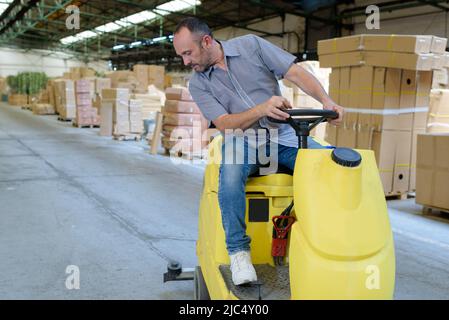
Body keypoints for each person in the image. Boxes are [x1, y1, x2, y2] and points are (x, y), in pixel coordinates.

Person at [173, 17, 344, 286]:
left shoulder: (252, 46)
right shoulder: (198, 84)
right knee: (229, 173)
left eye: (187, 53)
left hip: (284, 135)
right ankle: (239, 253)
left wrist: (327, 101)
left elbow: (295, 73)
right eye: (181, 55)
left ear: (206, 41)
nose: (185, 62)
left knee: (332, 166)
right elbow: (226, 124)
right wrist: (262, 109)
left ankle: (328, 244)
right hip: (242, 139)